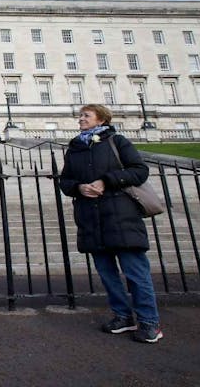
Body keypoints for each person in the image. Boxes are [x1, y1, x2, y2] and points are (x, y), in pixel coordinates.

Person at [59, 104, 163, 343]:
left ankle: (149, 322)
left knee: (136, 272)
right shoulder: (75, 147)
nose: (81, 119)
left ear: (101, 119)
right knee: (107, 274)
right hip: (90, 217)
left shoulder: (118, 141)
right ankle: (122, 316)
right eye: (81, 115)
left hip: (121, 214)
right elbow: (65, 181)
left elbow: (139, 171)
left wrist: (106, 181)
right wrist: (78, 187)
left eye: (86, 115)